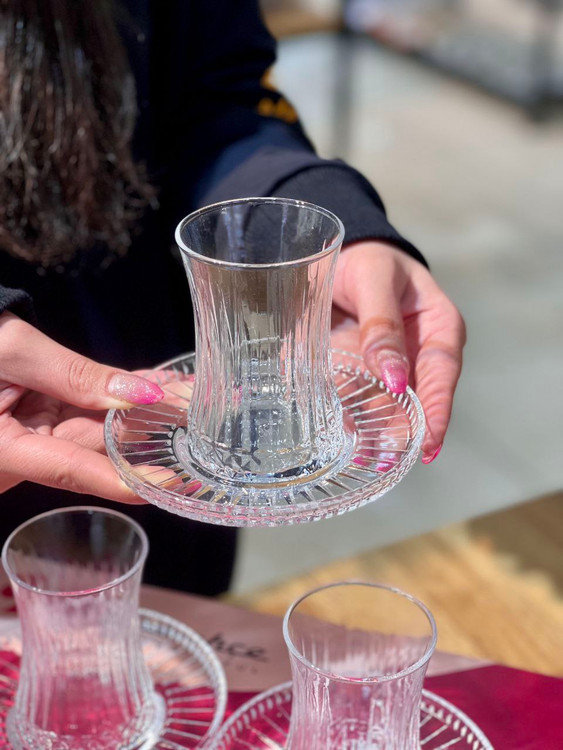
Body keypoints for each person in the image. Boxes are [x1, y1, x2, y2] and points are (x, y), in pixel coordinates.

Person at [0, 0, 465, 594]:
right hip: (29, 422)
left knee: (180, 611)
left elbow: (222, 101)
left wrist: (335, 231)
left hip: (175, 413)